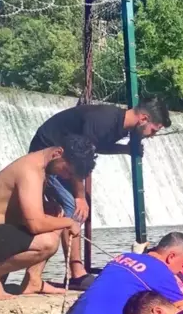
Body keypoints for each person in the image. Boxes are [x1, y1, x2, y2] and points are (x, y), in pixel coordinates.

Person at [29, 97, 171, 289]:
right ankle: (76, 273)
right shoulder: (104, 120)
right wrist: (79, 197)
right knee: (73, 208)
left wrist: (125, 149)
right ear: (143, 118)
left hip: (65, 158)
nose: (152, 135)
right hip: (48, 155)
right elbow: (77, 159)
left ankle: (34, 278)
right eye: (153, 130)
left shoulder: (119, 124)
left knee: (59, 211)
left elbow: (96, 146)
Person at [0, 136, 96, 300]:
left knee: (55, 214)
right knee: (47, 241)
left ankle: (33, 281)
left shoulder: (40, 168)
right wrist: (70, 222)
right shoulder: (30, 171)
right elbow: (36, 225)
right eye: (66, 171)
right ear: (58, 153)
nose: (65, 177)